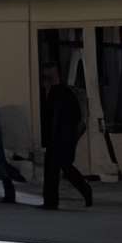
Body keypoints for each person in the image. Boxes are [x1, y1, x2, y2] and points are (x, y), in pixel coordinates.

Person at [40, 66, 94, 211]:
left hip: (61, 138)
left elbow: (65, 119)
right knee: (58, 169)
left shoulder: (62, 93)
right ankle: (51, 201)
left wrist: (64, 137)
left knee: (61, 168)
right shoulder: (55, 92)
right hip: (59, 138)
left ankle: (54, 200)